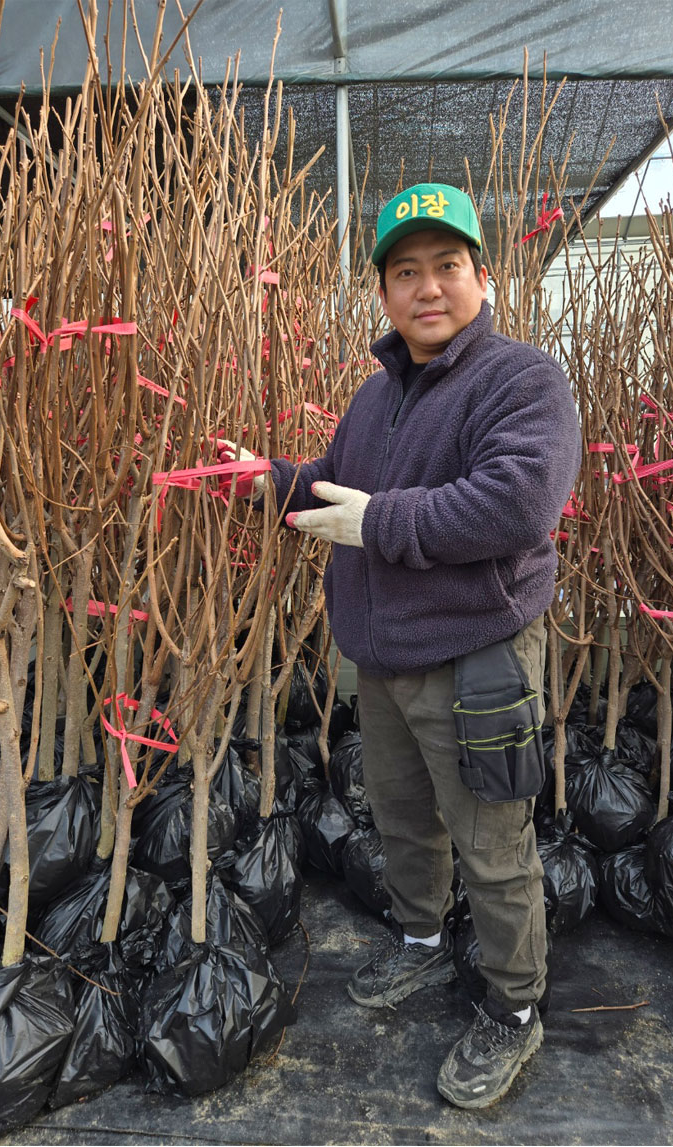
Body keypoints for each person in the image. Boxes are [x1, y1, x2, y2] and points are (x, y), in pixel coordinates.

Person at [220, 182, 581, 1109]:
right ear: (382, 292)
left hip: (477, 656)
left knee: (493, 843)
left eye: (447, 266)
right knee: (403, 817)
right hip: (381, 661)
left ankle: (514, 1006)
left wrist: (379, 521)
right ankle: (422, 939)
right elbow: (335, 483)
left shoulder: (521, 380)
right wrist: (268, 480)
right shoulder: (376, 395)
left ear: (482, 277)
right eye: (406, 272)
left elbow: (517, 502)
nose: (428, 287)